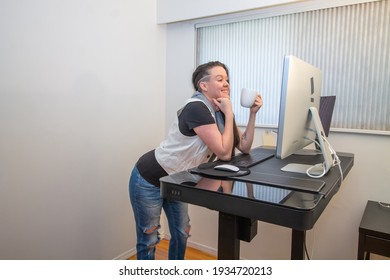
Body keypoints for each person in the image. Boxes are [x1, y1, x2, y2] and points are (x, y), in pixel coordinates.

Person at [129, 61, 263, 260]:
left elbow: (243, 146)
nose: (226, 83)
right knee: (149, 239)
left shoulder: (220, 111)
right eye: (220, 79)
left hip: (177, 179)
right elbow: (225, 153)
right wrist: (229, 112)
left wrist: (252, 114)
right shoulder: (196, 108)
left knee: (182, 233)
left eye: (227, 79)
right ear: (203, 85)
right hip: (149, 179)